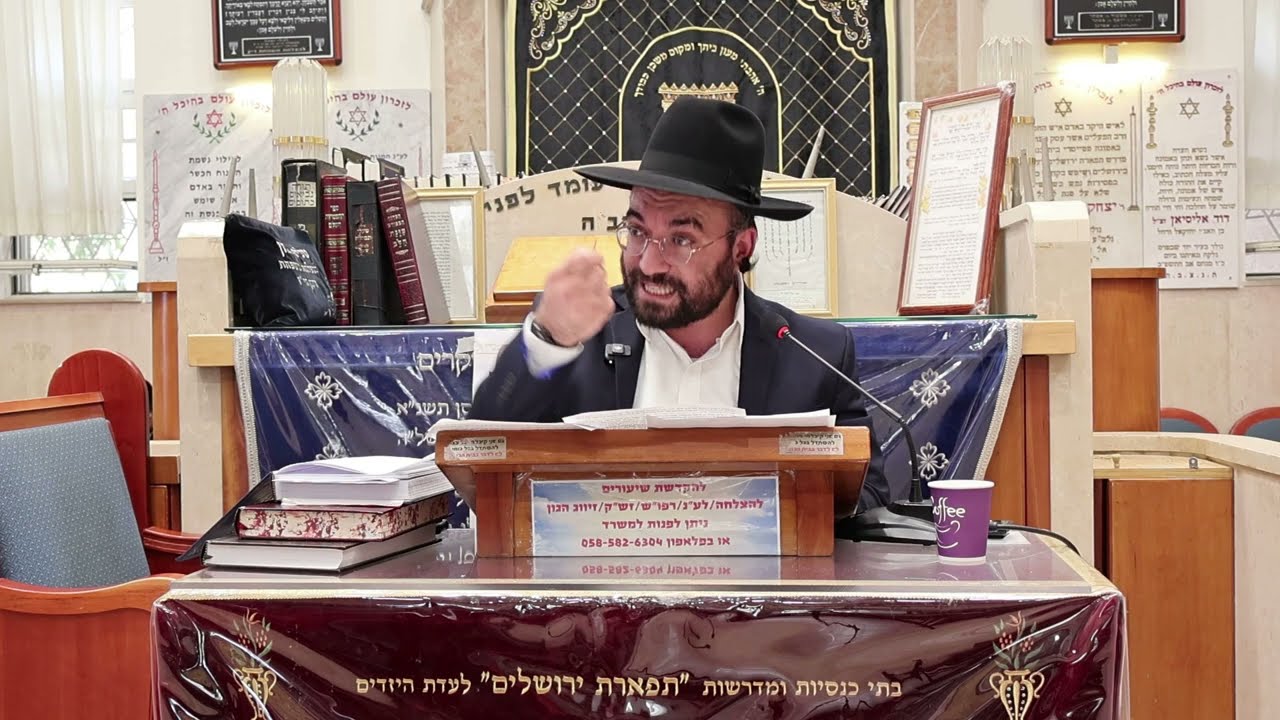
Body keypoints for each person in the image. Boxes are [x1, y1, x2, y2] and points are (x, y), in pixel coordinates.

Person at [469, 97, 889, 515]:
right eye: (637, 231)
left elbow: (867, 500)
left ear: (741, 247)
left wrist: (765, 514)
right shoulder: (580, 336)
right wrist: (546, 340)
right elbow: (480, 460)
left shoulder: (814, 355)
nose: (649, 264)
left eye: (682, 239)